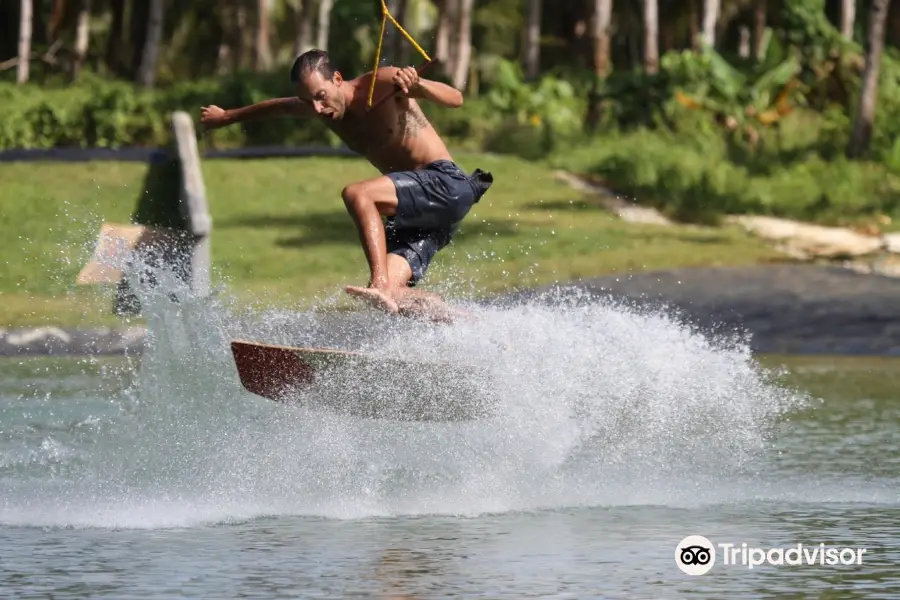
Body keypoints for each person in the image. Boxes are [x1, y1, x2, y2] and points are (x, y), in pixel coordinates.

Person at [199, 49, 493, 322]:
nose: (317, 108)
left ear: (337, 78)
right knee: (394, 295)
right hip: (421, 210)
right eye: (308, 102)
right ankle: (469, 325)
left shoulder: (383, 82)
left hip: (446, 183)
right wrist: (226, 117)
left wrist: (420, 87)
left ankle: (379, 284)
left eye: (321, 96)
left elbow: (456, 98)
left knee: (358, 195)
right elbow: (278, 107)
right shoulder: (319, 107)